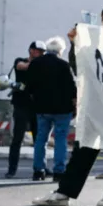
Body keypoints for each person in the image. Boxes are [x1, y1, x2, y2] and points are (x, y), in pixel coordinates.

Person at [33, 8, 103, 206]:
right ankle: (64, 192)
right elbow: (79, 67)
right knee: (84, 147)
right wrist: (74, 43)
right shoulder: (95, 45)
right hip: (96, 105)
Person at [26, 37, 76, 182]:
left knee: (41, 139)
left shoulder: (35, 64)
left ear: (47, 49)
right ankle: (59, 171)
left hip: (42, 108)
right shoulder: (64, 65)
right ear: (61, 51)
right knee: (60, 139)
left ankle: (38, 170)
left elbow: (29, 87)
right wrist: (74, 105)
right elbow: (72, 88)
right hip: (62, 109)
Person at [5, 42, 43, 178]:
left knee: (39, 140)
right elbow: (22, 67)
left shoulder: (41, 65)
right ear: (31, 51)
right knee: (17, 138)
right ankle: (12, 169)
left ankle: (41, 168)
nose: (41, 53)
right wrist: (37, 64)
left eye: (42, 52)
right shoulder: (20, 61)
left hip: (37, 106)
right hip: (21, 105)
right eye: (39, 51)